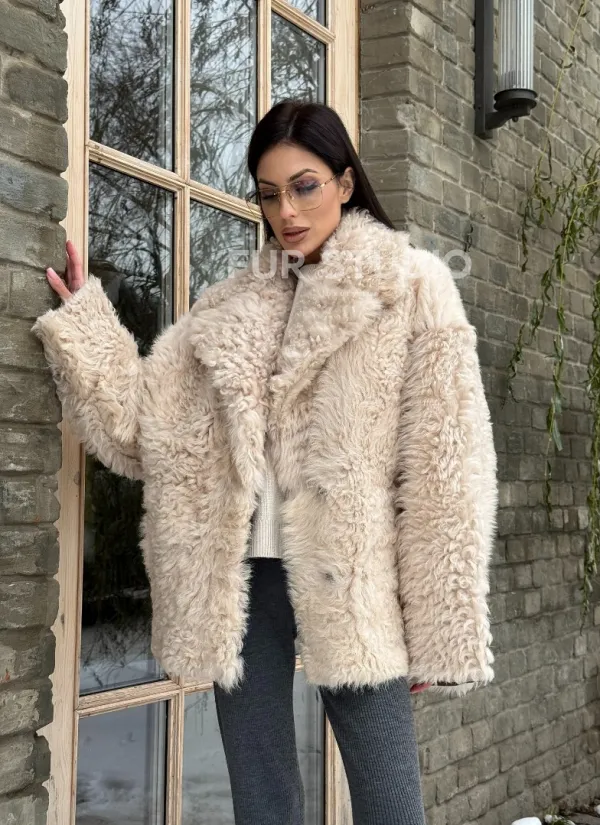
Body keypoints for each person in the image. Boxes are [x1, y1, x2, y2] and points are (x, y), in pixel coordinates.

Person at [33, 100, 498, 825]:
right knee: (261, 798)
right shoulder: (234, 305)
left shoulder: (412, 286)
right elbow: (141, 429)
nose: (287, 211)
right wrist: (85, 322)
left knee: (390, 801)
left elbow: (446, 468)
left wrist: (441, 626)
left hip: (355, 575)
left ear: (346, 182)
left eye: (305, 186)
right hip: (244, 577)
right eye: (270, 192)